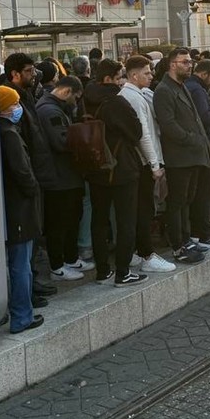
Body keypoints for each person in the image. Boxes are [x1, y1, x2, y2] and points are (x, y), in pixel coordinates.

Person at [81, 60, 146, 285]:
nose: (122, 82)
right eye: (119, 77)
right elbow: (136, 132)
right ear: (108, 79)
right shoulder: (117, 102)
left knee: (99, 220)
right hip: (121, 168)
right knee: (125, 220)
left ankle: (102, 271)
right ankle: (123, 272)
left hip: (94, 167)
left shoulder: (85, 100)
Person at [153, 49, 210, 263]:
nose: (190, 65)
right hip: (179, 156)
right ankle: (178, 245)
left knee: (187, 199)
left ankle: (186, 239)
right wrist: (193, 139)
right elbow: (169, 125)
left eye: (190, 62)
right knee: (177, 202)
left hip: (192, 154)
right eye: (185, 62)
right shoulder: (164, 90)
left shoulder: (181, 86)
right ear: (172, 64)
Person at [118, 55, 176, 274]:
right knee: (143, 210)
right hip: (142, 163)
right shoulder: (132, 97)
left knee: (142, 208)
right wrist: (154, 165)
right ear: (134, 75)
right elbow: (144, 134)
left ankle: (140, 251)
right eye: (147, 72)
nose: (151, 76)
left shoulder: (138, 94)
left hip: (142, 161)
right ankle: (146, 254)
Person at [34, 76, 94, 282]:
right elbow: (61, 142)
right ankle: (58, 266)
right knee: (59, 222)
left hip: (65, 175)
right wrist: (80, 139)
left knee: (71, 218)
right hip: (58, 177)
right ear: (67, 92)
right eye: (76, 98)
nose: (76, 103)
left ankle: (70, 258)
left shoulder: (55, 108)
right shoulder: (50, 111)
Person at [0, 87, 45, 334]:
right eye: (15, 104)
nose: (19, 108)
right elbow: (22, 172)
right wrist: (34, 189)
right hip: (19, 208)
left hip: (9, 207)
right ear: (5, 106)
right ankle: (22, 316)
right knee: (20, 263)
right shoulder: (9, 135)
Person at [184, 58, 210, 242]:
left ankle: (196, 230)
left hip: (198, 144)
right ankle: (202, 232)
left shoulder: (188, 86)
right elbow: (205, 116)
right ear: (204, 74)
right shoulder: (198, 89)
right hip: (206, 143)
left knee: (199, 191)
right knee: (205, 190)